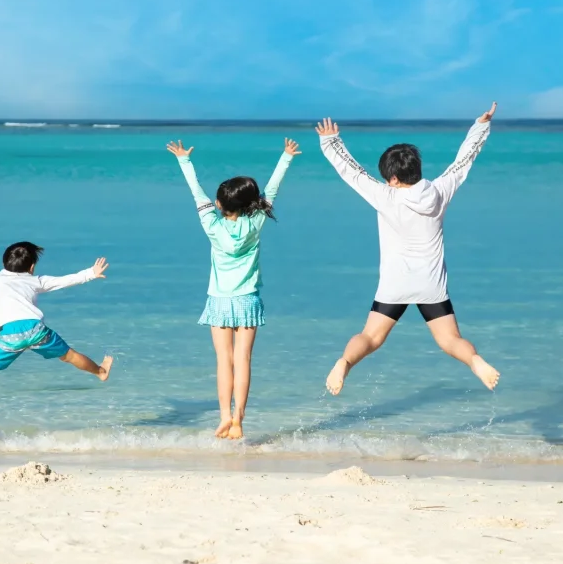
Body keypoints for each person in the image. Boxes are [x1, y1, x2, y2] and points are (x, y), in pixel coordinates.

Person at [315, 103, 501, 396]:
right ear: (417, 169)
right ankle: (475, 361)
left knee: (371, 337)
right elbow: (463, 161)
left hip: (394, 283)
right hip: (431, 284)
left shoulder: (384, 195)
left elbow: (352, 172)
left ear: (392, 178)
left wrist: (330, 141)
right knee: (450, 340)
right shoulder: (439, 191)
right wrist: (480, 126)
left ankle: (344, 362)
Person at [167, 138, 300, 439]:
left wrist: (184, 160)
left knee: (223, 361)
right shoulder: (256, 222)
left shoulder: (211, 225)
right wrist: (286, 157)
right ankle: (239, 419)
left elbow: (195, 192)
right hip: (248, 300)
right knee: (243, 361)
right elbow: (272, 190)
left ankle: (224, 416)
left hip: (219, 301)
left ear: (221, 206)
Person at [0, 241, 112, 419]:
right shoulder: (36, 281)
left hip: (10, 336)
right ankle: (100, 372)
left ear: (4, 263)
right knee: (69, 356)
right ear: (31, 267)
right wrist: (91, 273)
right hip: (36, 331)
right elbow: (65, 281)